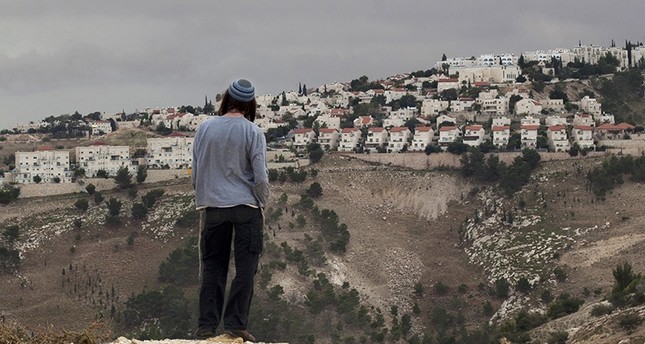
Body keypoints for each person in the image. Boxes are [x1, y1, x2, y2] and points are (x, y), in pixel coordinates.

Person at [192, 79, 269, 342]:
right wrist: (262, 202)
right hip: (246, 207)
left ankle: (206, 327)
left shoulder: (204, 129)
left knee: (213, 266)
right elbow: (260, 176)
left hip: (213, 207)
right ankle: (235, 325)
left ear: (226, 100)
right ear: (250, 104)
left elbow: (197, 169)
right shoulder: (253, 132)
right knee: (246, 267)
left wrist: (204, 194)